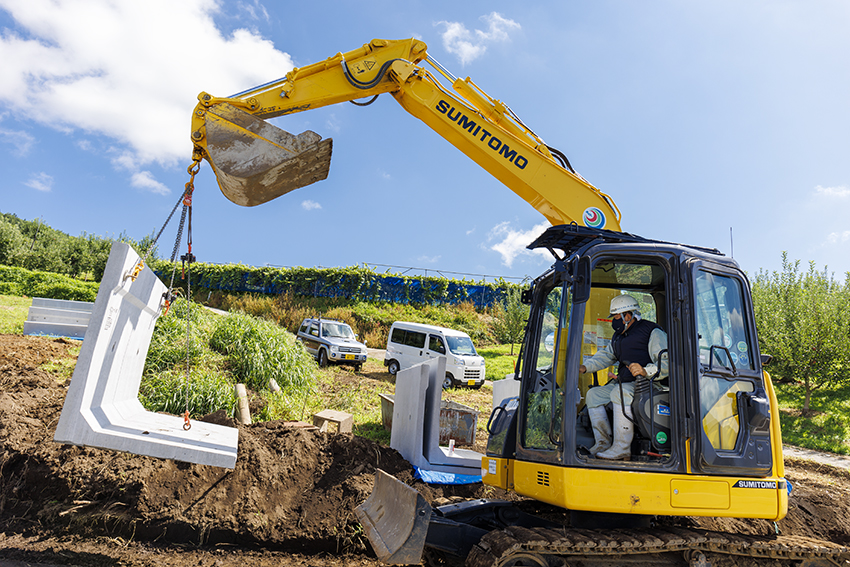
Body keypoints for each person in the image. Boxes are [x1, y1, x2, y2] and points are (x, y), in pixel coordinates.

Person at [579, 294, 667, 460]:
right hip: (625, 382)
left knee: (618, 393)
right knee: (593, 395)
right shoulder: (618, 337)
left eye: (617, 317)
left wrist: (645, 370)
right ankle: (603, 443)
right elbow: (606, 356)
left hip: (648, 384)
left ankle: (621, 447)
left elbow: (667, 362)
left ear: (628, 315)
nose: (614, 321)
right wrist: (586, 367)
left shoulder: (652, 331)